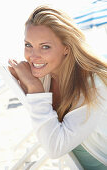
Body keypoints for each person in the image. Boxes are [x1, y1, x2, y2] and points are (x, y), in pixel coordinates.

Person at [8, 5, 107, 170]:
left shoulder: (92, 84)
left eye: (45, 46)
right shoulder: (47, 74)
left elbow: (55, 148)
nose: (33, 56)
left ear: (66, 48)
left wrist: (34, 88)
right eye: (28, 45)